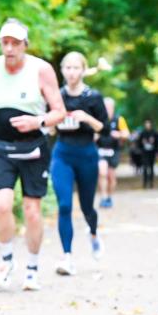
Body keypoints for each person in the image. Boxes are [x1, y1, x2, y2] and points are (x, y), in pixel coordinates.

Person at [0, 18, 66, 291]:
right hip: (1, 147)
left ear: (25, 44)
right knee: (2, 204)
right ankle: (6, 261)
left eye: (16, 43)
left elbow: (59, 111)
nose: (10, 48)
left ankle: (32, 268)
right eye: (5, 42)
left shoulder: (41, 70)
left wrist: (37, 121)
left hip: (33, 149)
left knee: (32, 211)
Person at [48, 52, 108, 276]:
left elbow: (105, 128)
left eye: (75, 68)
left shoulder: (93, 97)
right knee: (64, 205)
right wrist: (54, 123)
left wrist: (87, 118)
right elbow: (48, 128)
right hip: (62, 154)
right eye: (67, 68)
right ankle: (67, 257)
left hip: (86, 154)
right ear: (62, 71)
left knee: (86, 207)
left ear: (83, 70)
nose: (71, 72)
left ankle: (93, 233)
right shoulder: (55, 97)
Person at [97, 96, 128, 208]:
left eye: (109, 107)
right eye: (105, 107)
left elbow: (126, 134)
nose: (107, 109)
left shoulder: (119, 119)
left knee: (111, 177)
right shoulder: (98, 119)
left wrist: (118, 135)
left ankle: (109, 197)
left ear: (113, 108)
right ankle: (103, 197)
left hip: (113, 151)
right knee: (102, 173)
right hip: (100, 150)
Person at [137, 119, 158, 188]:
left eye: (148, 124)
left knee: (151, 167)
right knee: (145, 167)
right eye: (146, 124)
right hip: (144, 153)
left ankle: (151, 182)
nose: (147, 125)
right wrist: (142, 144)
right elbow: (139, 143)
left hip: (152, 153)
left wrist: (157, 152)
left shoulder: (154, 133)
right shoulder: (142, 133)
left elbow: (157, 143)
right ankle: (145, 183)